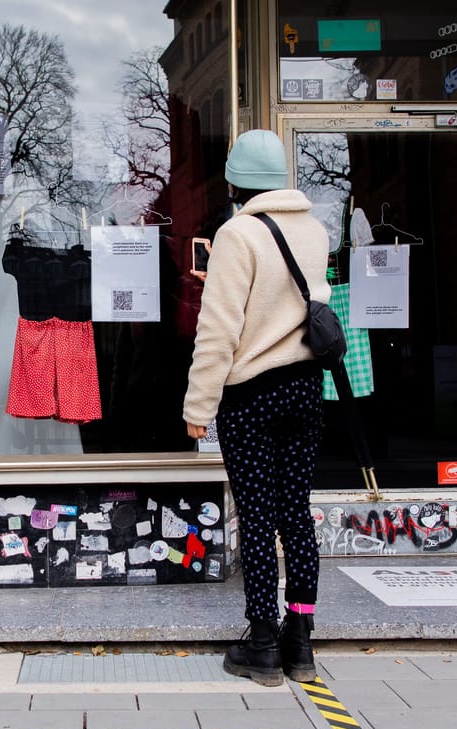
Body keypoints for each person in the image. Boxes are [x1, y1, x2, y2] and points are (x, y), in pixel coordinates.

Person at [182, 129, 329, 686]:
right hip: (304, 387)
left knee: (258, 515)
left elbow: (218, 331)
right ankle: (302, 641)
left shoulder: (237, 234)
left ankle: (263, 643)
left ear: (235, 181)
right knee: (295, 510)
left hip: (251, 396)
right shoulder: (315, 230)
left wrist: (199, 404)